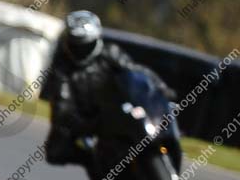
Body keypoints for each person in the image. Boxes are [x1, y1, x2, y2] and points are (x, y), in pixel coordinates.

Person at [41, 10, 175, 166]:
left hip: (120, 107)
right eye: (76, 46)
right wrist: (71, 120)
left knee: (158, 114)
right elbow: (61, 102)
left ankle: (166, 143)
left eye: (85, 46)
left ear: (95, 39)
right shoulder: (62, 67)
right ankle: (94, 163)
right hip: (88, 118)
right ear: (68, 43)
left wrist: (161, 87)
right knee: (55, 152)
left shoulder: (110, 53)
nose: (81, 51)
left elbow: (136, 72)